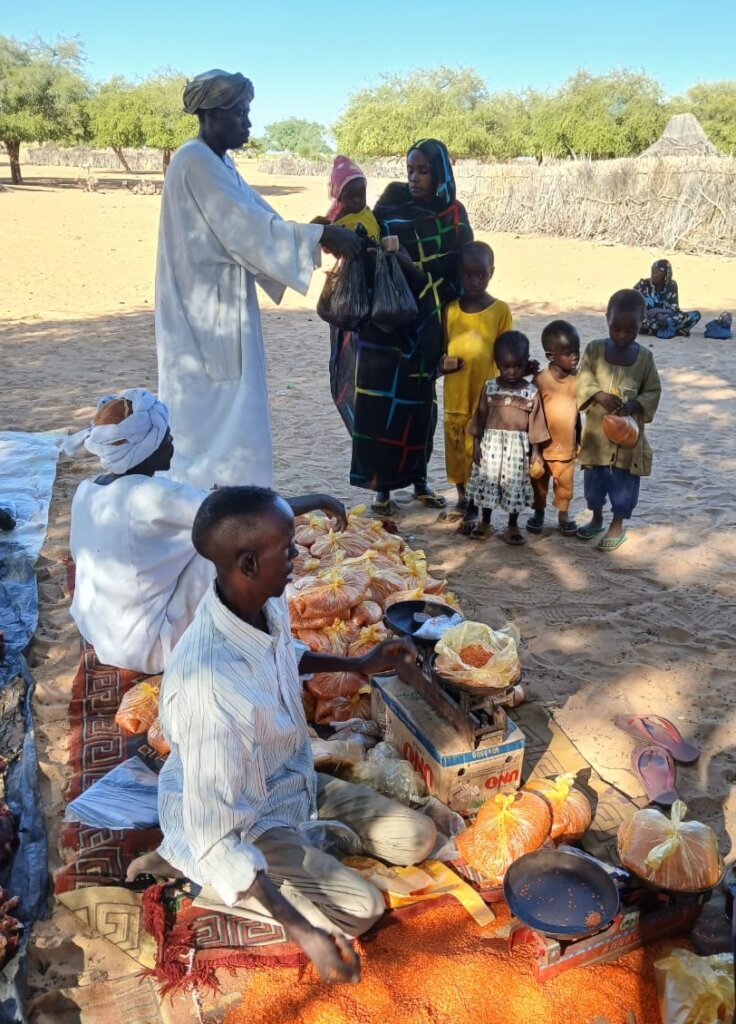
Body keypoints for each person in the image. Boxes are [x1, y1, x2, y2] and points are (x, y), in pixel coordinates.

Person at [134, 486, 436, 984]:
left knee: (418, 838)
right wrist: (304, 932)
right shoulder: (212, 692)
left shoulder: (258, 599)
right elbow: (218, 834)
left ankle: (300, 854)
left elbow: (285, 655)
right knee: (362, 909)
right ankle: (205, 874)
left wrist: (359, 664)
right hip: (243, 822)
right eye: (287, 547)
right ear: (250, 563)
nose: (296, 554)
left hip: (287, 779)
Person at [155, 70, 361, 491]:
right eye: (240, 113)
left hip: (221, 304)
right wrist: (319, 236)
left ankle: (233, 501)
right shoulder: (194, 161)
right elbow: (245, 228)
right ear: (211, 113)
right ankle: (208, 504)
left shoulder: (219, 161)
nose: (248, 122)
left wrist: (314, 231)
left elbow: (260, 216)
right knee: (207, 409)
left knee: (229, 406)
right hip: (203, 310)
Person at [69, 389, 347, 674]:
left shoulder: (86, 490)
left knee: (213, 524)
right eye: (165, 435)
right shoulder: (151, 495)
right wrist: (320, 500)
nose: (171, 440)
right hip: (150, 649)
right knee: (236, 543)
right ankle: (268, 648)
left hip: (102, 637)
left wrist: (216, 502)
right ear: (148, 447)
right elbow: (253, 512)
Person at [330, 139, 473, 515]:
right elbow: (366, 241)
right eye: (410, 170)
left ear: (440, 174)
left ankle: (420, 480)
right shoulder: (391, 204)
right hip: (385, 325)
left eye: (423, 171)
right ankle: (382, 489)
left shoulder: (454, 215)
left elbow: (462, 268)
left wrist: (417, 269)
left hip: (427, 323)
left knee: (420, 405)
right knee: (380, 405)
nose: (414, 178)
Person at [576, 290, 662, 551]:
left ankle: (617, 524)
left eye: (630, 330)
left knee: (624, 485)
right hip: (597, 438)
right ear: (607, 318)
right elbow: (582, 378)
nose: (622, 335)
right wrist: (598, 394)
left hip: (628, 441)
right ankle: (596, 517)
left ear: (641, 322)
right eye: (616, 328)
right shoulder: (594, 349)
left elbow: (653, 390)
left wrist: (635, 405)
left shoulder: (645, 358)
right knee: (594, 485)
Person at [439, 241, 512, 523]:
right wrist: (443, 364)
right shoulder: (450, 310)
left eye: (481, 275)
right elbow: (442, 350)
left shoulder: (500, 311)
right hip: (455, 396)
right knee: (456, 449)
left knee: (480, 450)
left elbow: (507, 352)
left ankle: (475, 502)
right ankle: (461, 498)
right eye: (468, 275)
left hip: (484, 398)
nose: (474, 281)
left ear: (492, 272)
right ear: (459, 274)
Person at [463, 332, 549, 545]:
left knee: (514, 485)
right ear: (497, 364)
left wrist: (536, 452)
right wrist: (476, 445)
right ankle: (485, 522)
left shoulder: (531, 392)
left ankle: (512, 525)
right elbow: (479, 418)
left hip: (517, 450)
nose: (512, 372)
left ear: (526, 362)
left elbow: (536, 424)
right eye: (506, 367)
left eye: (518, 366)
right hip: (491, 447)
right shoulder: (490, 388)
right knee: (488, 483)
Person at [526, 321, 581, 537]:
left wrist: (579, 440)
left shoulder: (578, 380)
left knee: (565, 486)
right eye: (568, 353)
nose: (575, 357)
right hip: (542, 447)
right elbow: (531, 414)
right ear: (551, 356)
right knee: (538, 484)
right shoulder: (540, 380)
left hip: (566, 447)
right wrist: (533, 448)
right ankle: (538, 513)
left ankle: (563, 516)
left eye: (577, 351)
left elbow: (577, 414)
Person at [312, 156, 380, 241]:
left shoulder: (367, 214)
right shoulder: (337, 221)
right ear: (339, 198)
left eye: (361, 195)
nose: (357, 200)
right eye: (350, 197)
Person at [634, 259, 701, 338]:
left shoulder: (671, 285)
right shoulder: (643, 284)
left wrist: (657, 310)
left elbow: (673, 309)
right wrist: (657, 315)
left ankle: (667, 327)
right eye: (652, 272)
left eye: (656, 273)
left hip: (666, 317)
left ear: (664, 274)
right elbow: (635, 306)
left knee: (695, 315)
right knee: (645, 322)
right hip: (647, 318)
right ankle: (675, 329)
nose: (652, 275)